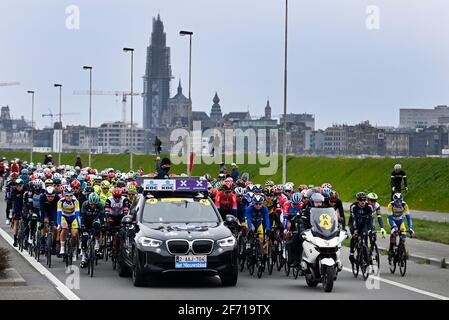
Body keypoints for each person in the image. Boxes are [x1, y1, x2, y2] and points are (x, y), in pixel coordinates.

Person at [387, 193, 414, 263]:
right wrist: (393, 227)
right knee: (394, 233)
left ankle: (400, 251)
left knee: (403, 237)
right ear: (394, 201)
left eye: (400, 201)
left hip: (400, 220)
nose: (399, 203)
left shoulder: (405, 205)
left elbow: (408, 218)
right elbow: (390, 218)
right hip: (392, 220)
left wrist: (410, 228)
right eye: (397, 201)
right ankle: (391, 249)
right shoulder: (391, 205)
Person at [349, 192, 375, 264]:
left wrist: (372, 229)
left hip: (363, 223)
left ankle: (365, 255)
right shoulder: (353, 206)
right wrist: (355, 230)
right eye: (361, 200)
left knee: (365, 235)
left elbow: (371, 219)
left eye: (364, 200)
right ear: (358, 200)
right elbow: (353, 219)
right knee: (355, 236)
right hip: (354, 223)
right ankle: (351, 253)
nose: (362, 202)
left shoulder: (369, 207)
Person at [80, 193, 104, 268]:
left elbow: (102, 216)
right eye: (91, 204)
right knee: (84, 239)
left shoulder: (100, 205)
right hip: (86, 221)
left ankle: (97, 246)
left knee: (98, 227)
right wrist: (82, 226)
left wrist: (103, 225)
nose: (93, 206)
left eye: (95, 204)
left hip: (95, 219)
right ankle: (83, 257)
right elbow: (82, 216)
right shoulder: (85, 204)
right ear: (89, 202)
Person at [57, 187, 81, 255]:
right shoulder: (60, 201)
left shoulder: (75, 201)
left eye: (70, 195)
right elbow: (59, 213)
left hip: (73, 217)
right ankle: (62, 247)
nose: (69, 197)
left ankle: (73, 246)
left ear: (72, 195)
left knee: (74, 234)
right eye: (67, 195)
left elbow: (77, 214)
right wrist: (59, 224)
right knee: (64, 228)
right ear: (64, 195)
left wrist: (79, 224)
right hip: (64, 216)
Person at [11, 179, 25, 247]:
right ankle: (15, 239)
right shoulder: (14, 191)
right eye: (17, 186)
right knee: (16, 222)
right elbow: (14, 202)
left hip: (25, 207)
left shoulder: (25, 190)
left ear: (22, 185)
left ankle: (26, 239)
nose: (18, 187)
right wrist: (15, 212)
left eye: (20, 185)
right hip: (17, 207)